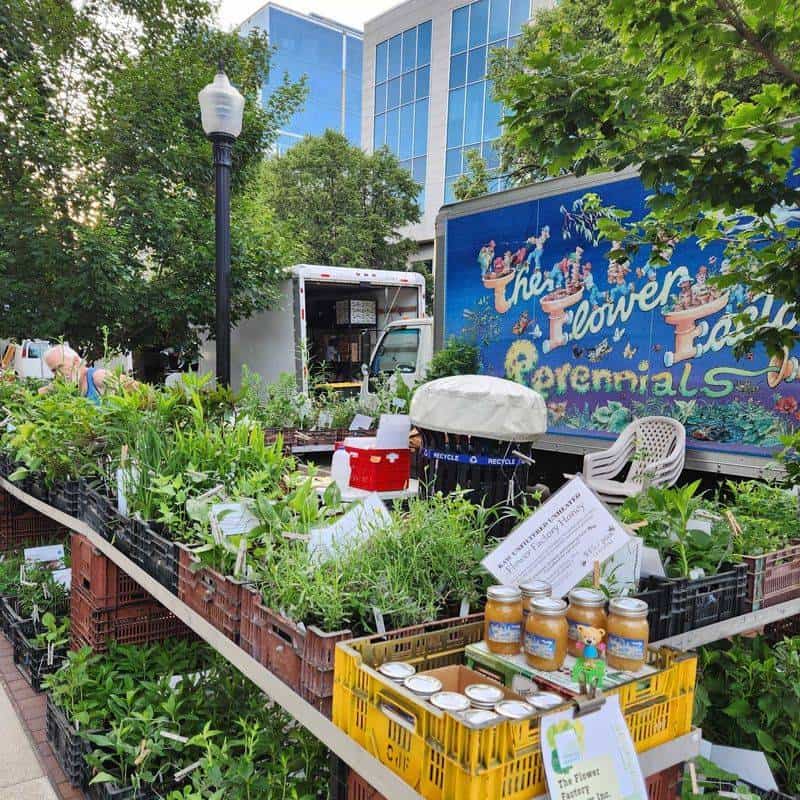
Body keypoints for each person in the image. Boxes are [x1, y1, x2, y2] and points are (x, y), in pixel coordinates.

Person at [40, 344, 132, 403]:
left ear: (76, 361)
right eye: (54, 370)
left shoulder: (98, 377)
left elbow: (141, 391)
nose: (59, 374)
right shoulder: (63, 387)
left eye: (61, 367)